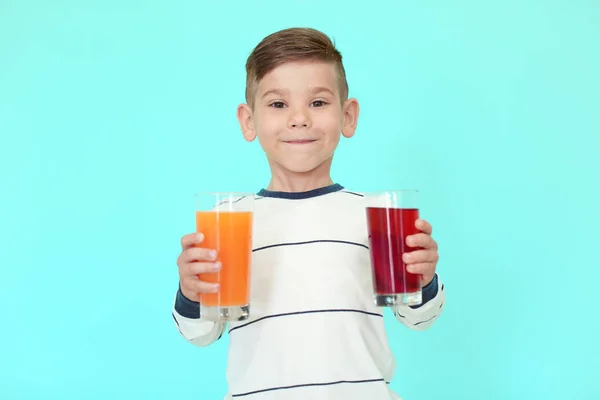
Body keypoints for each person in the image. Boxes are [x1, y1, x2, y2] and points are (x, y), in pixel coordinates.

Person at [172, 27, 446, 400]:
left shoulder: (375, 216)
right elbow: (199, 333)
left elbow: (419, 318)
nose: (299, 118)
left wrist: (424, 279)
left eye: (318, 103)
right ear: (248, 121)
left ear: (348, 117)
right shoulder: (229, 221)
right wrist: (191, 291)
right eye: (278, 104)